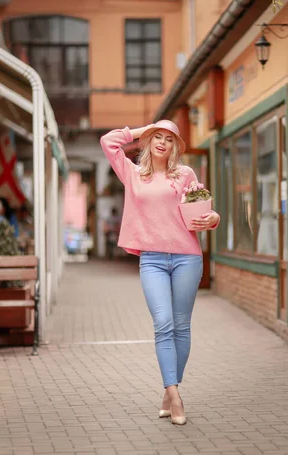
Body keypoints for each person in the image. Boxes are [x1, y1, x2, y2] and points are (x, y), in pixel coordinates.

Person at [100, 120, 220, 425]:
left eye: (169, 138)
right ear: (149, 141)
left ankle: (170, 390)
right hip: (152, 260)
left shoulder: (185, 175)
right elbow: (109, 142)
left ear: (175, 146)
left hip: (187, 258)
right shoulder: (132, 173)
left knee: (181, 326)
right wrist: (147, 127)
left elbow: (203, 208)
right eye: (158, 137)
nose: (162, 142)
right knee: (163, 324)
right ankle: (175, 396)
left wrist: (214, 218)